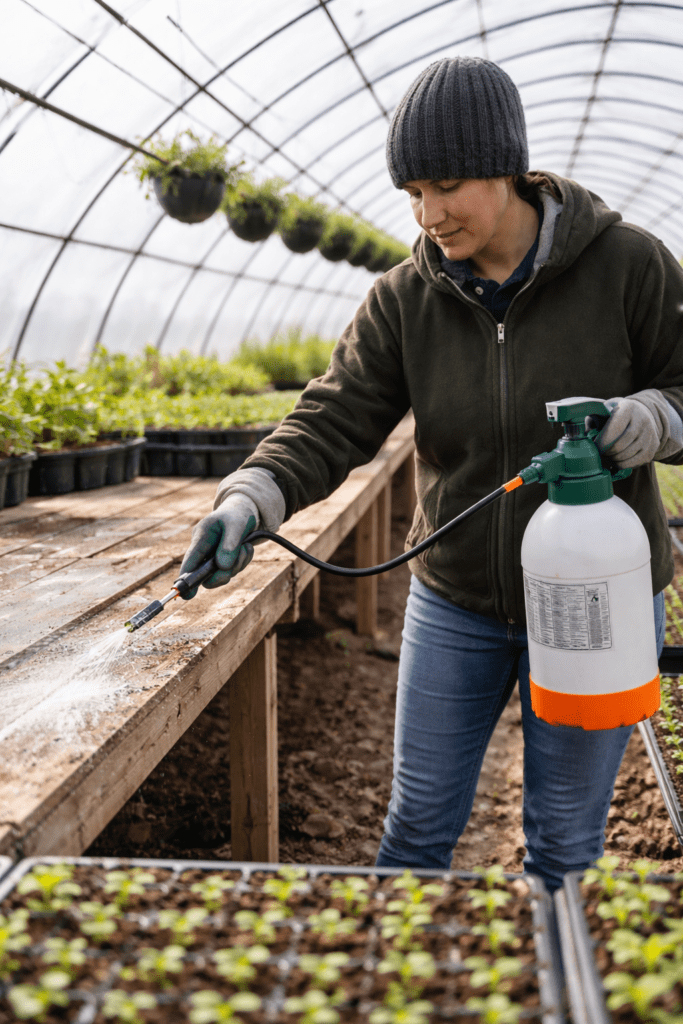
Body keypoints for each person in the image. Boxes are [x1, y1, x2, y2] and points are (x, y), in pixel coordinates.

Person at [178, 56, 683, 893]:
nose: (428, 212)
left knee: (562, 843)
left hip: (596, 600)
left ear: (508, 168)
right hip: (455, 601)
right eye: (412, 190)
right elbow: (333, 416)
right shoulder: (403, 299)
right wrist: (252, 495)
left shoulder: (625, 265)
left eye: (446, 184)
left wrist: (656, 418)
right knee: (416, 827)